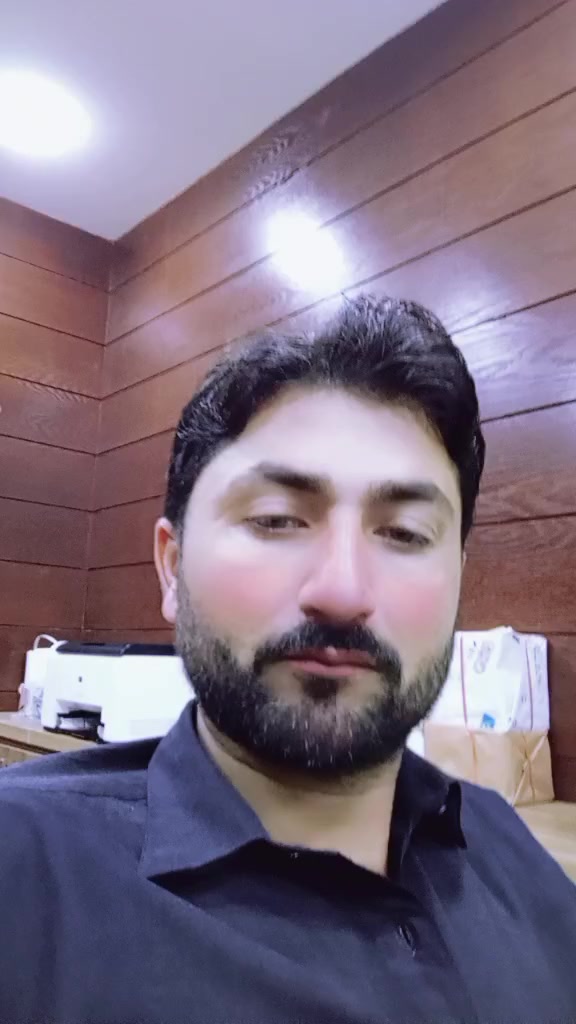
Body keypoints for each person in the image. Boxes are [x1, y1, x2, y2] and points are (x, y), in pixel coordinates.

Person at [0, 296, 574, 1024]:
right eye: (276, 520)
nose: (341, 591)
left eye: (404, 533)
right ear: (172, 568)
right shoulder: (24, 873)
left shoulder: (509, 849)